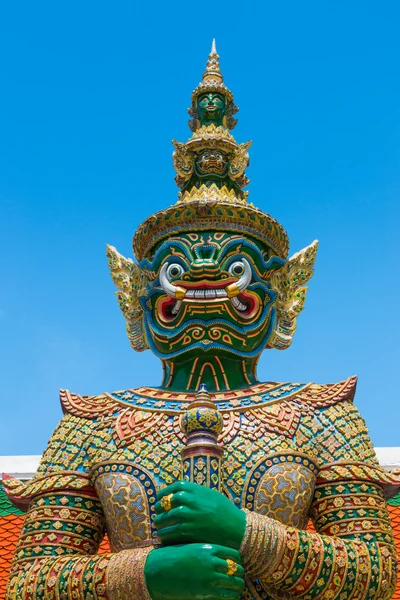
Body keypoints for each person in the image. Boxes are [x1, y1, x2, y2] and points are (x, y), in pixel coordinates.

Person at [4, 40, 399, 600]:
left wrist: (246, 533)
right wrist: (142, 575)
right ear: (137, 301)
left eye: (236, 267)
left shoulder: (324, 418)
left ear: (283, 298)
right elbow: (29, 579)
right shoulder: (90, 426)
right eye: (176, 269)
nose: (204, 282)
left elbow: (375, 573)